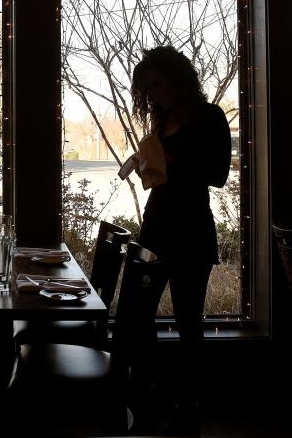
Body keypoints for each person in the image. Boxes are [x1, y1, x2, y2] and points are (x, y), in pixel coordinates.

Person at [127, 45, 231, 423]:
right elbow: (159, 180)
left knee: (189, 322)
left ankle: (191, 401)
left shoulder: (210, 117)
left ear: (178, 79)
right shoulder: (159, 121)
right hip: (155, 228)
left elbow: (218, 175)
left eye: (156, 84)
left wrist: (171, 163)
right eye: (146, 89)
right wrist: (146, 165)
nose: (151, 94)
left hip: (191, 231)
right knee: (138, 315)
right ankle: (148, 389)